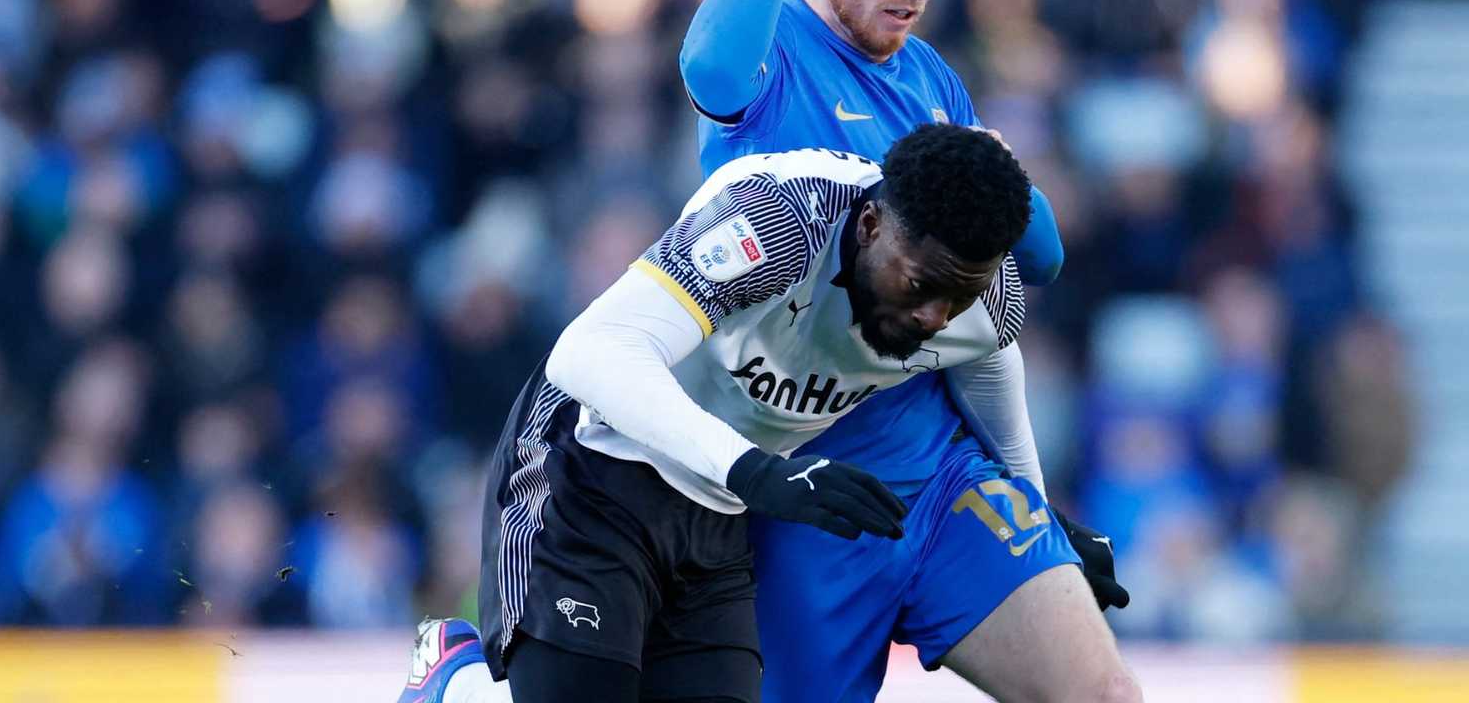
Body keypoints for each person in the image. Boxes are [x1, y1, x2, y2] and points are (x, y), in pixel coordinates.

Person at [676, 0, 1139, 703]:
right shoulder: (771, 49)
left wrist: (1002, 172)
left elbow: (1036, 257)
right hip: (805, 497)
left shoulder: (932, 81)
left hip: (939, 477)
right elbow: (711, 71)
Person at [400, 125, 1045, 702]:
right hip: (593, 465)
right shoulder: (780, 218)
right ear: (871, 225)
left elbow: (994, 372)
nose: (935, 317)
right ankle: (456, 682)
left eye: (960, 296)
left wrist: (1044, 525)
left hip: (718, 511)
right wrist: (755, 471)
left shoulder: (986, 302)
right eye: (921, 285)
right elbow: (589, 351)